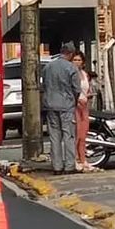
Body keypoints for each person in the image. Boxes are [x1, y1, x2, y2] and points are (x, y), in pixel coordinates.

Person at [42, 43, 82, 175]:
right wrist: (74, 101)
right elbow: (77, 89)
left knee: (54, 136)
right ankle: (69, 165)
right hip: (66, 105)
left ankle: (57, 166)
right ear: (70, 54)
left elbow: (44, 86)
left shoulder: (48, 67)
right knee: (68, 135)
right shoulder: (71, 68)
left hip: (50, 105)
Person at [72, 51, 96, 172]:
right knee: (76, 134)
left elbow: (87, 90)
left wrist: (89, 95)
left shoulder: (84, 74)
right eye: (75, 60)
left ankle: (83, 159)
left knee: (83, 134)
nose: (77, 62)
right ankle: (75, 159)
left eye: (79, 60)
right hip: (75, 106)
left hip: (84, 106)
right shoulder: (71, 74)